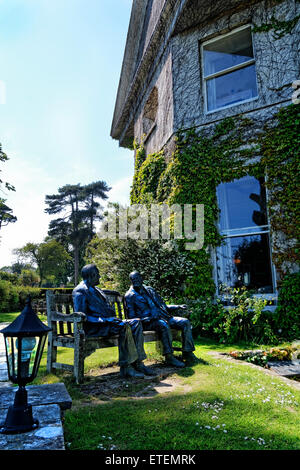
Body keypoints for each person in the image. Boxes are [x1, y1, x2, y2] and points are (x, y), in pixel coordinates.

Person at [72, 264, 156, 378]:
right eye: (97, 274)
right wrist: (104, 320)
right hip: (93, 327)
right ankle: (126, 367)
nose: (100, 276)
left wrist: (110, 318)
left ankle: (138, 363)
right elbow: (81, 316)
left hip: (107, 324)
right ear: (91, 275)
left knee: (136, 322)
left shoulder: (96, 289)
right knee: (124, 327)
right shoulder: (80, 291)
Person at [125, 271, 198, 367]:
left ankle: (188, 353)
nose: (136, 281)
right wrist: (149, 318)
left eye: (138, 278)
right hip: (147, 323)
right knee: (163, 324)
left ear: (142, 279)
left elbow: (163, 306)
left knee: (185, 322)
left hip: (164, 317)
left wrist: (178, 306)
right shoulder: (129, 296)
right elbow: (131, 318)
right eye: (133, 279)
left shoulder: (150, 290)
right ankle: (169, 357)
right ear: (131, 281)